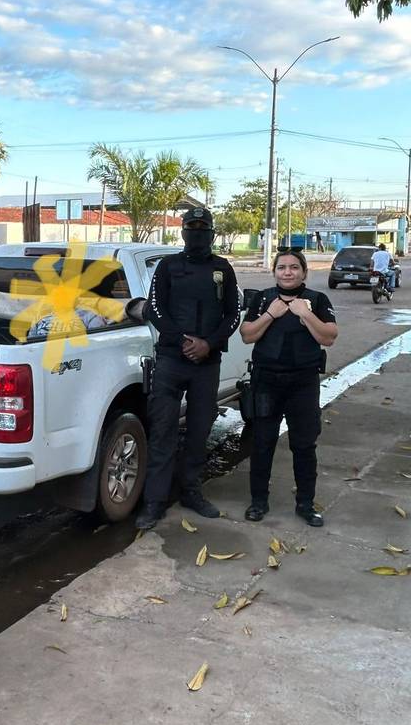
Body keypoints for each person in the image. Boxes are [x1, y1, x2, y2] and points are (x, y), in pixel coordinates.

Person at [135, 207, 240, 531]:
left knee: (199, 431)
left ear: (211, 233)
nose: (196, 233)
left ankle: (191, 491)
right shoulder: (168, 266)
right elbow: (154, 309)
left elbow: (233, 314)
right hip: (171, 360)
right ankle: (154, 502)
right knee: (163, 431)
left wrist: (208, 343)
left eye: (202, 228)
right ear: (182, 232)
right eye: (190, 228)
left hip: (206, 364)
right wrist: (183, 340)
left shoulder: (222, 268)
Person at [240, 249, 338, 526]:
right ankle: (258, 502)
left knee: (304, 445)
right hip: (266, 382)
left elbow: (329, 337)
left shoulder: (317, 300)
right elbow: (247, 335)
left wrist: (305, 314)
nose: (288, 272)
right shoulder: (263, 299)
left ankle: (305, 504)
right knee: (262, 443)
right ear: (274, 272)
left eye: (294, 267)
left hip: (303, 383)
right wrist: (271, 314)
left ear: (304, 272)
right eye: (282, 267)